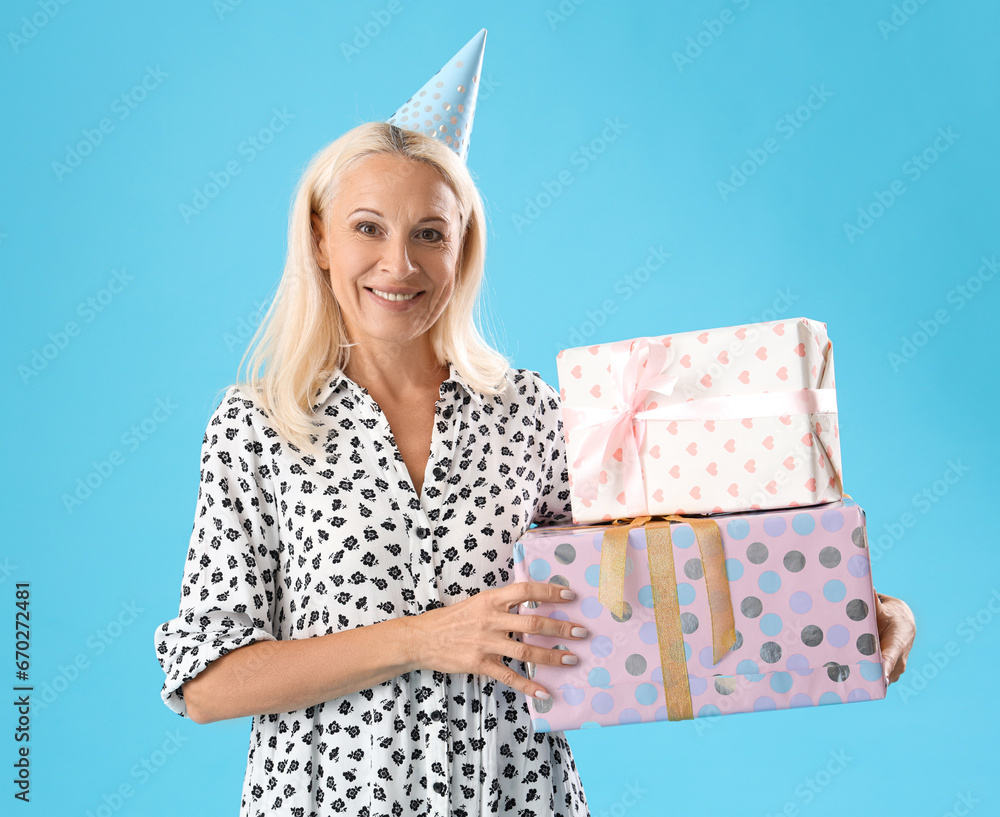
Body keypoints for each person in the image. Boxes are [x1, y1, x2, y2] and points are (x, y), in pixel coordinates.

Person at [154, 29, 916, 817]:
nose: (400, 264)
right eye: (368, 227)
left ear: (462, 248)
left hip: (517, 795)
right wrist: (425, 636)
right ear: (319, 236)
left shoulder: (528, 413)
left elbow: (665, 572)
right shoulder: (258, 426)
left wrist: (854, 606)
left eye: (430, 233)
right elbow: (209, 683)